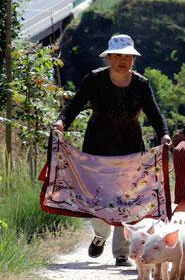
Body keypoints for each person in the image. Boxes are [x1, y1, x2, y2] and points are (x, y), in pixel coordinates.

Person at [53, 34, 171, 267]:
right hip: (97, 145)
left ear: (133, 60)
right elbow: (75, 104)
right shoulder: (94, 80)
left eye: (127, 56)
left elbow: (154, 113)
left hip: (130, 147)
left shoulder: (141, 84)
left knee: (125, 198)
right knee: (97, 195)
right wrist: (61, 123)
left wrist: (164, 134)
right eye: (117, 55)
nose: (122, 60)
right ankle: (100, 235)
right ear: (108, 58)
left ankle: (121, 252)